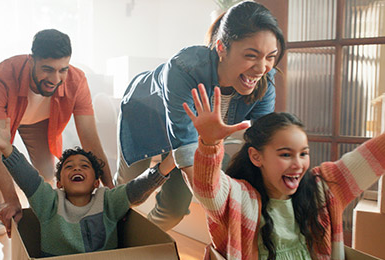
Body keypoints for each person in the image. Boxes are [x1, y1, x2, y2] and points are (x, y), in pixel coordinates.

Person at [186, 72, 385, 260]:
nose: (298, 164)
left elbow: (371, 159)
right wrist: (208, 144)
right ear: (256, 157)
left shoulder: (320, 190)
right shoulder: (241, 199)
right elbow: (208, 190)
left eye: (303, 153)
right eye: (285, 155)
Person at [115, 1, 285, 231]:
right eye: (251, 55)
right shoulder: (184, 68)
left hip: (189, 136)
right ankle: (110, 237)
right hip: (144, 118)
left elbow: (264, 145)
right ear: (222, 48)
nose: (261, 68)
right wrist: (223, 213)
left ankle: (140, 246)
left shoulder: (265, 81)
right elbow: (186, 149)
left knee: (174, 210)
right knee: (125, 194)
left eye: (270, 57)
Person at [0, 29, 113, 236]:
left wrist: (111, 189)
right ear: (31, 60)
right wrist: (12, 201)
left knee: (47, 173)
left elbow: (90, 139)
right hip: (6, 118)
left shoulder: (77, 81)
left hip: (40, 122)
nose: (55, 78)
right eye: (48, 69)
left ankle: (40, 211)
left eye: (62, 70)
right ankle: (0, 208)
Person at [0, 116, 175, 255]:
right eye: (69, 167)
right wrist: (7, 148)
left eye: (84, 166)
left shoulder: (107, 200)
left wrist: (165, 166)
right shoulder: (50, 202)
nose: (76, 169)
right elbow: (29, 178)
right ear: (60, 183)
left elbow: (136, 189)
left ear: (96, 182)